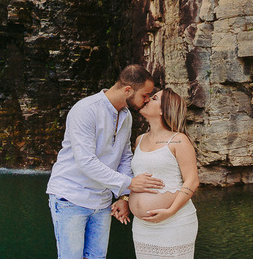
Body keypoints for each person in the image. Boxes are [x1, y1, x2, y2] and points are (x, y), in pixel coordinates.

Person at [47, 64, 165, 259]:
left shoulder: (126, 116)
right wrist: (129, 183)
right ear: (128, 90)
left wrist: (125, 196)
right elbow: (86, 162)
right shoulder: (85, 110)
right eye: (145, 95)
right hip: (70, 198)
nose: (146, 100)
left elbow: (125, 156)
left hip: (102, 202)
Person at [128, 87, 199, 259]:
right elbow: (136, 178)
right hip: (142, 227)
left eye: (153, 99)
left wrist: (170, 211)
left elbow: (192, 181)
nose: (146, 100)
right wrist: (124, 199)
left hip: (174, 222)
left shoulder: (178, 140)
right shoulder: (140, 139)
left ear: (162, 109)